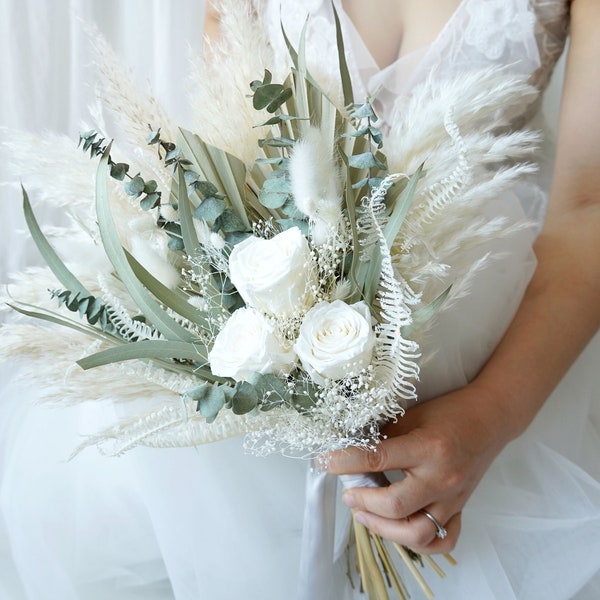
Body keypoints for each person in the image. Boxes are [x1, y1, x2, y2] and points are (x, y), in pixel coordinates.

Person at [1, 1, 598, 599]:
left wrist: (490, 417)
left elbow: (589, 206)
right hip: (254, 353)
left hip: (484, 359)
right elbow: (227, 133)